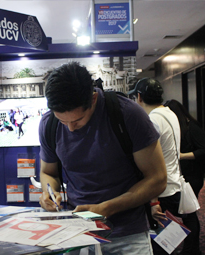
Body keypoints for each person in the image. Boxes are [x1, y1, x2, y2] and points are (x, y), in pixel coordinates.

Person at [38, 62, 167, 255]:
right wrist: (49, 191)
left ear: (93, 98)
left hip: (127, 234)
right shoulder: (49, 124)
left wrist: (106, 208)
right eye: (63, 121)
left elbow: (158, 179)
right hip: (78, 233)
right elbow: (48, 172)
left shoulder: (127, 114)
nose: (71, 128)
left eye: (77, 120)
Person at [129, 78, 181, 255]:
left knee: (159, 246)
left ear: (139, 97)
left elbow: (151, 164)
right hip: (174, 185)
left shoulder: (152, 120)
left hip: (160, 193)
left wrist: (154, 201)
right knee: (168, 244)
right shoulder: (170, 113)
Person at [165, 99, 205, 255]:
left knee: (188, 213)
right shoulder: (177, 129)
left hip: (192, 178)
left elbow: (203, 150)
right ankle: (190, 248)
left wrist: (181, 156)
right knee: (185, 213)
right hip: (182, 178)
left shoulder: (191, 127)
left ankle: (191, 249)